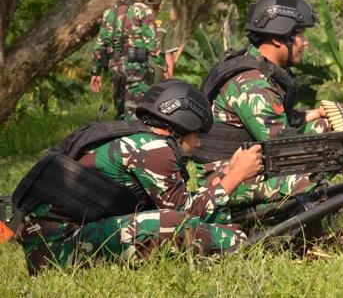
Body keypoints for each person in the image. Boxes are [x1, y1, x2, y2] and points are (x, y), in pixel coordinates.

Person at [12, 80, 263, 275]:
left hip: (51, 243)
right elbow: (187, 215)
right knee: (176, 224)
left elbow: (183, 201)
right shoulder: (154, 150)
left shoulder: (139, 137)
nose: (197, 143)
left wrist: (226, 175)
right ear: (180, 127)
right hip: (54, 253)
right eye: (196, 134)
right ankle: (241, 241)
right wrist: (235, 176)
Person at [192, 0, 330, 209]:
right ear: (277, 38)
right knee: (310, 177)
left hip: (239, 169)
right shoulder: (253, 84)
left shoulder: (258, 67)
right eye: (301, 34)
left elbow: (276, 120)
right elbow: (283, 146)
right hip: (227, 180)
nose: (305, 43)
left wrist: (320, 115)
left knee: (323, 126)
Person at [90, 0, 167, 120]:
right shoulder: (144, 11)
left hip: (114, 67)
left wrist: (96, 73)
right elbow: (153, 44)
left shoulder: (110, 12)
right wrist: (163, 67)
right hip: (136, 68)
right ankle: (133, 138)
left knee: (121, 111)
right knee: (135, 112)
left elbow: (99, 45)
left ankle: (119, 138)